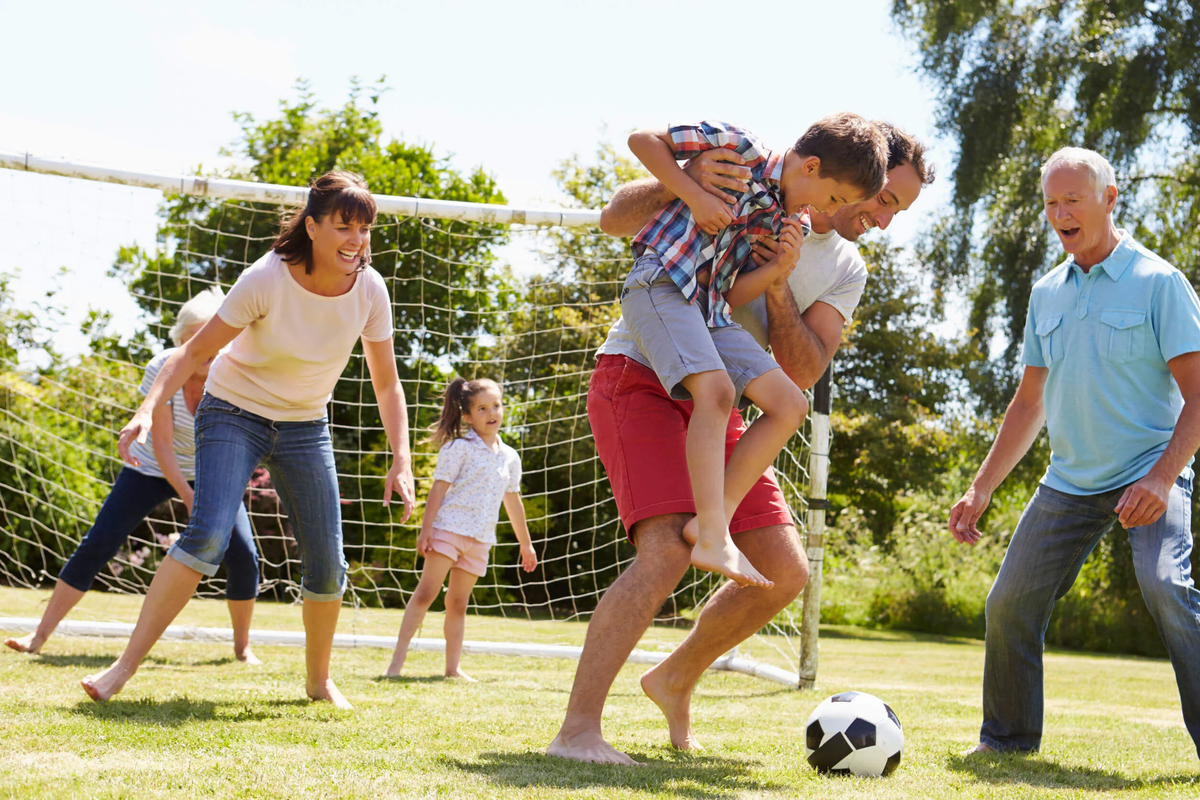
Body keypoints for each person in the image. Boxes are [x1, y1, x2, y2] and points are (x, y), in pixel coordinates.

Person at [547, 124, 933, 764]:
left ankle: (672, 677)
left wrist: (780, 282)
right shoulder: (757, 175)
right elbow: (618, 219)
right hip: (641, 377)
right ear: (847, 174)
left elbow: (802, 372)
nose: (882, 218)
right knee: (665, 551)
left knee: (782, 574)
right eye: (886, 200)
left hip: (723, 397)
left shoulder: (837, 260)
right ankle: (578, 729)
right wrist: (689, 182)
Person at [81, 170, 416, 709]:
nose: (357, 241)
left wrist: (401, 458)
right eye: (344, 227)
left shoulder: (370, 291)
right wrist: (147, 408)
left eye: (365, 229)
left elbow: (386, 381)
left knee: (328, 561)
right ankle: (123, 667)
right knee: (209, 534)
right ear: (312, 226)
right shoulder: (266, 278)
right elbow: (190, 354)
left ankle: (319, 680)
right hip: (234, 411)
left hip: (306, 425)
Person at [950, 147, 1200, 758]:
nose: (1060, 214)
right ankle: (1007, 740)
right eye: (1051, 203)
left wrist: (1164, 479)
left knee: (1167, 585)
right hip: (1069, 479)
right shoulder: (1046, 293)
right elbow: (1029, 403)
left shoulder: (1159, 283)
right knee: (1009, 603)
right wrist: (981, 488)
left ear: (1110, 199)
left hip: (1149, 471)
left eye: (1073, 200)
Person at [620, 114, 889, 588]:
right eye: (834, 197)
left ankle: (710, 523)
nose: (829, 210)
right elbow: (642, 140)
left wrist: (779, 271)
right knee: (718, 392)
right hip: (660, 283)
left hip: (709, 310)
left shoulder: (788, 220)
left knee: (790, 404)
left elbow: (732, 295)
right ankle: (713, 538)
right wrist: (694, 193)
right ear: (811, 167)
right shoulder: (741, 148)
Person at [5, 289, 261, 664]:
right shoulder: (164, 366)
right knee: (100, 541)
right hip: (151, 467)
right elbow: (162, 446)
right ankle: (39, 635)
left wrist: (207, 494)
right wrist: (189, 498)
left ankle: (243, 648)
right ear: (181, 341)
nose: (204, 345)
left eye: (212, 334)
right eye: (194, 336)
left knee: (243, 553)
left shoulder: (234, 370)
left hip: (211, 471)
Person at [385, 377, 537, 680]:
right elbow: (438, 490)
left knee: (458, 603)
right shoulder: (458, 448)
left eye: (496, 406)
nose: (491, 413)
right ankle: (395, 666)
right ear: (467, 416)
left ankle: (452, 669)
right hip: (448, 531)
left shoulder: (510, 457)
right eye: (482, 408)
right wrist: (426, 530)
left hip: (480, 539)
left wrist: (526, 543)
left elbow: (513, 502)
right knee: (426, 593)